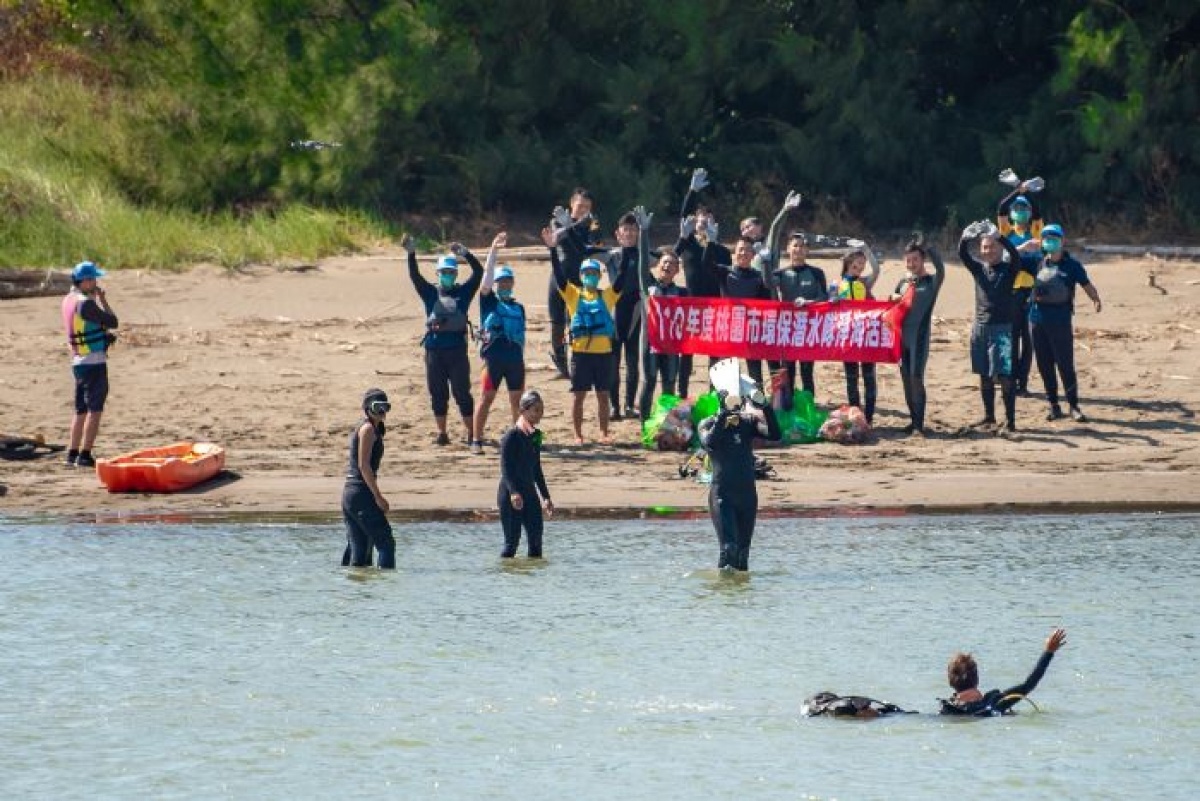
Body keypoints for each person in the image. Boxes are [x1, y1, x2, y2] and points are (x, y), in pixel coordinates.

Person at [541, 227, 631, 444]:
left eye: (594, 274)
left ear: (599, 277)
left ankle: (603, 432)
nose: (590, 277)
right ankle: (578, 434)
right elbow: (559, 275)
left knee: (603, 396)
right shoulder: (572, 293)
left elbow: (622, 278)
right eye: (587, 274)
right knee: (578, 396)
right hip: (581, 353)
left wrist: (627, 250)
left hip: (603, 354)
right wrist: (553, 249)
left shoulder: (607, 295)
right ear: (581, 276)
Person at [404, 235, 484, 447]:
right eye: (444, 273)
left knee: (462, 393)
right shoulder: (430, 293)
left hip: (457, 351)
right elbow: (414, 276)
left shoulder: (463, 293)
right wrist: (411, 254)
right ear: (437, 274)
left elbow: (479, 273)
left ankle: (471, 432)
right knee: (438, 393)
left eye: (450, 272)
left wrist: (466, 254)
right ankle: (442, 433)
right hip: (434, 352)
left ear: (455, 274)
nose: (447, 276)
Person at [957, 221, 1035, 433]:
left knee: (1005, 376)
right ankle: (989, 417)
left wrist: (1000, 237)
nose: (988, 250)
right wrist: (965, 237)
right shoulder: (978, 269)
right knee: (984, 374)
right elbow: (962, 254)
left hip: (1003, 330)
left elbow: (1016, 256)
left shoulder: (1009, 269)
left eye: (992, 246)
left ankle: (1010, 421)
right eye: (984, 247)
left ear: (999, 249)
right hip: (980, 328)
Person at [697, 384, 782, 571]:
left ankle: (740, 596)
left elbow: (776, 434)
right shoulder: (708, 424)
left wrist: (765, 407)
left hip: (747, 496)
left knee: (742, 555)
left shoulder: (747, 423)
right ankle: (724, 595)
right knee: (729, 549)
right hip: (722, 495)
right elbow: (709, 444)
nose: (737, 407)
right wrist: (723, 416)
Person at [1028, 225, 1102, 422]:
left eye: (1053, 238)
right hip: (1037, 321)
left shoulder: (1072, 265)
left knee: (1065, 365)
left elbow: (1086, 284)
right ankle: (1054, 405)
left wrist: (1095, 299)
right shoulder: (1036, 261)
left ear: (1062, 241)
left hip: (1060, 321)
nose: (1049, 241)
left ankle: (1074, 406)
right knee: (1044, 365)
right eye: (1046, 238)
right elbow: (1009, 260)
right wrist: (1025, 246)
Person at [631, 205, 688, 420]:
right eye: (664, 263)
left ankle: (667, 423)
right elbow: (643, 260)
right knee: (650, 380)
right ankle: (645, 423)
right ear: (658, 266)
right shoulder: (648, 286)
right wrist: (644, 232)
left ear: (677, 271)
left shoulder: (681, 293)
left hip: (672, 345)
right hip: (650, 343)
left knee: (669, 382)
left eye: (672, 264)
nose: (667, 267)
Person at [62, 260, 118, 468]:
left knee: (81, 410)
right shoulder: (86, 303)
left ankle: (72, 453)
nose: (95, 282)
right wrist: (102, 300)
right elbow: (113, 321)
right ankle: (85, 455)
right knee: (95, 409)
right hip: (93, 363)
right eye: (93, 279)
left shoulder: (68, 299)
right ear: (84, 281)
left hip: (78, 362)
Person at [674, 168, 725, 398]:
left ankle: (714, 395)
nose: (703, 220)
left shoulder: (722, 251)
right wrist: (692, 191)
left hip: (714, 307)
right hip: (690, 306)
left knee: (716, 355)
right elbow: (684, 216)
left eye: (708, 217)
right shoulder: (687, 244)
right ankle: (682, 394)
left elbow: (711, 268)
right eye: (700, 217)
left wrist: (712, 244)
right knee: (687, 354)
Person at [474, 232, 525, 453]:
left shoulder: (519, 307)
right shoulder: (488, 302)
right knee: (486, 399)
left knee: (517, 401)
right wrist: (494, 249)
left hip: (515, 361)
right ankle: (476, 440)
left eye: (507, 281)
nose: (504, 285)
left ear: (512, 283)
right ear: (495, 284)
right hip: (493, 361)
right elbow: (485, 277)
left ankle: (518, 438)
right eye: (500, 282)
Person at [941, 628, 1067, 716]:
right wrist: (1048, 652)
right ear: (977, 679)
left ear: (950, 681)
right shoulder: (994, 703)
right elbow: (1029, 684)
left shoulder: (947, 708)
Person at [889, 237, 945, 436]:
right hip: (902, 338)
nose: (911, 264)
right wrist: (893, 298)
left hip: (919, 338)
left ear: (922, 260)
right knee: (905, 378)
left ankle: (919, 425)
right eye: (908, 260)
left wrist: (929, 246)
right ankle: (912, 421)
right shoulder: (903, 283)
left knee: (915, 378)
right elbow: (892, 307)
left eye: (915, 260)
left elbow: (941, 268)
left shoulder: (931, 282)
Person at [546, 188, 604, 379]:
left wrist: (578, 225)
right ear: (572, 204)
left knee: (576, 322)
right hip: (558, 277)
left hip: (580, 280)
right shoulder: (558, 220)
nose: (583, 210)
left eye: (587, 207)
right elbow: (557, 237)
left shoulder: (591, 225)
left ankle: (577, 362)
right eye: (580, 206)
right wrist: (571, 224)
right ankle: (561, 366)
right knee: (556, 322)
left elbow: (586, 248)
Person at [998, 179, 1046, 395]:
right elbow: (1000, 207)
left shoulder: (1036, 230)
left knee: (1028, 340)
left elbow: (1037, 211)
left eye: (1023, 208)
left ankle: (1023, 383)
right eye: (1016, 208)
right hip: (1010, 291)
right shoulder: (1006, 230)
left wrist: (1027, 192)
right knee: (1010, 337)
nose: (1020, 211)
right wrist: (1017, 190)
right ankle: (1008, 378)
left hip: (1031, 291)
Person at [767, 230, 827, 401]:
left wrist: (808, 302)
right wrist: (765, 262)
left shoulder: (816, 273)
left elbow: (824, 298)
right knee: (788, 371)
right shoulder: (781, 273)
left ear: (807, 250)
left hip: (808, 330)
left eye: (802, 246)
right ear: (788, 249)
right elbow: (768, 283)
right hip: (787, 329)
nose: (798, 250)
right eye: (795, 246)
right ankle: (787, 407)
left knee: (807, 372)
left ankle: (808, 407)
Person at [341, 388, 395, 569]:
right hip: (360, 494)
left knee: (360, 552)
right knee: (386, 542)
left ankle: (360, 592)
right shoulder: (368, 430)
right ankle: (386, 587)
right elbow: (364, 466)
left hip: (351, 495)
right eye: (377, 407)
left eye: (385, 407)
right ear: (367, 408)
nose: (382, 412)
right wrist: (378, 497)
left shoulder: (371, 428)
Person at [710, 236, 773, 386]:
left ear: (753, 255)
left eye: (747, 250)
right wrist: (711, 242)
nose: (743, 253)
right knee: (724, 368)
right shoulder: (725, 272)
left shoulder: (758, 277)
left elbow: (767, 299)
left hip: (751, 330)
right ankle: (722, 404)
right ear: (734, 253)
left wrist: (765, 262)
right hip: (728, 329)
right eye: (740, 249)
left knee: (755, 370)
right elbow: (706, 264)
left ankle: (757, 403)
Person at [497, 390, 554, 558]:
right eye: (535, 410)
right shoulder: (512, 435)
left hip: (529, 494)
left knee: (536, 542)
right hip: (510, 495)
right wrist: (514, 492)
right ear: (523, 410)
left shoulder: (536, 435)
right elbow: (505, 467)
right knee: (511, 544)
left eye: (541, 410)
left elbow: (536, 467)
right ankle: (506, 578)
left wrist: (546, 497)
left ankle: (534, 583)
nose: (539, 414)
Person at [830, 246, 881, 424]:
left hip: (866, 337)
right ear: (848, 263)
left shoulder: (865, 283)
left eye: (862, 264)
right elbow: (828, 306)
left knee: (869, 377)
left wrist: (866, 250)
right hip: (848, 338)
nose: (860, 266)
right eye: (857, 262)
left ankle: (869, 416)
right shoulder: (836, 285)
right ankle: (855, 415)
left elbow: (877, 269)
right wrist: (833, 300)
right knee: (851, 378)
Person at [603, 212, 642, 419]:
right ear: (618, 234)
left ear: (638, 233)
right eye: (625, 229)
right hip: (614, 313)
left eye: (633, 229)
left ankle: (629, 405)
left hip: (635, 313)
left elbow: (669, 258)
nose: (629, 233)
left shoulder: (643, 254)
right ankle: (614, 406)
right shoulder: (611, 255)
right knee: (613, 362)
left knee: (633, 362)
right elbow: (584, 252)